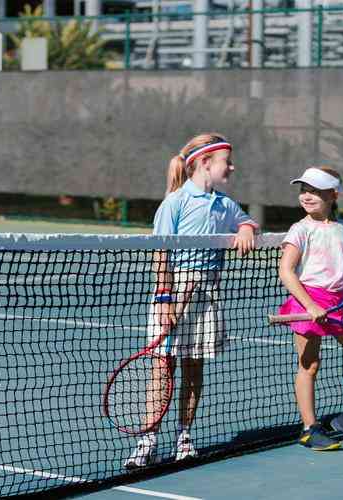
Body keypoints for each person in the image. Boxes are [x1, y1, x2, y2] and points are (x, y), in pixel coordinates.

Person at [124, 133, 259, 468]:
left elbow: (246, 221)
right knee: (161, 367)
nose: (232, 166)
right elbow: (161, 253)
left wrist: (245, 228)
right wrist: (166, 298)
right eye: (226, 161)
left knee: (193, 367)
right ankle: (148, 441)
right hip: (171, 291)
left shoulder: (224, 204)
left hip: (207, 293)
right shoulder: (174, 202)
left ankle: (184, 436)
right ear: (204, 163)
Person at [277, 166, 343, 451]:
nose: (307, 196)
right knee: (309, 365)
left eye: (314, 190)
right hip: (307, 300)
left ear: (333, 195)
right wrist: (309, 305)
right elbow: (286, 271)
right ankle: (310, 428)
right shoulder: (300, 229)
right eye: (304, 190)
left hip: (339, 305)